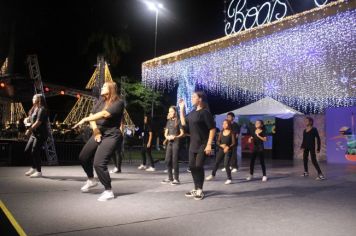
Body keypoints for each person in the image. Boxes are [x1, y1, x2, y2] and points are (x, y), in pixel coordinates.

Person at [73, 82, 124, 201]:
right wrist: (95, 131)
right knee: (83, 157)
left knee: (99, 163)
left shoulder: (119, 103)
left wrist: (85, 119)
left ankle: (108, 190)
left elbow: (104, 114)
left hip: (112, 135)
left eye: (104, 86)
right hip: (99, 131)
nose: (102, 88)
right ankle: (91, 180)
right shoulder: (100, 100)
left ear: (111, 89)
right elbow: (92, 116)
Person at [179, 91, 216, 200]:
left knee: (199, 166)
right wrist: (181, 109)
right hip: (193, 144)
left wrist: (209, 144)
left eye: (194, 96)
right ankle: (196, 188)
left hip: (203, 144)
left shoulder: (205, 113)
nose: (192, 98)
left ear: (200, 99)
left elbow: (212, 129)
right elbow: (184, 123)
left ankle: (200, 189)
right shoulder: (192, 112)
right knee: (192, 166)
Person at [24, 94, 49, 178]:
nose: (32, 99)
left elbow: (38, 122)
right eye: (33, 97)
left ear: (39, 99)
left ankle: (39, 171)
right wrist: (27, 119)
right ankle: (33, 167)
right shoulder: (34, 108)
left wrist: (29, 129)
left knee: (35, 151)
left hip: (41, 134)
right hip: (34, 134)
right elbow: (31, 118)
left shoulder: (42, 109)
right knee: (27, 150)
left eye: (34, 97)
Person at [206, 119, 236, 184]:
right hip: (221, 149)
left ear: (229, 124)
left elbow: (234, 143)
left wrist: (228, 147)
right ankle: (212, 175)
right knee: (217, 162)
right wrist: (221, 145)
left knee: (226, 164)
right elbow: (217, 142)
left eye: (226, 123)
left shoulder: (231, 132)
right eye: (223, 124)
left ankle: (229, 178)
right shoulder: (221, 132)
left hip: (228, 150)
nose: (224, 125)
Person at [161, 106, 184, 185]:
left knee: (174, 160)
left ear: (175, 112)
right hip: (169, 142)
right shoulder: (169, 121)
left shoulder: (179, 121)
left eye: (171, 111)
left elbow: (182, 133)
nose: (169, 113)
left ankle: (176, 179)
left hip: (176, 142)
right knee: (167, 160)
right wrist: (167, 137)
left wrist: (176, 136)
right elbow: (165, 133)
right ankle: (170, 177)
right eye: (169, 111)